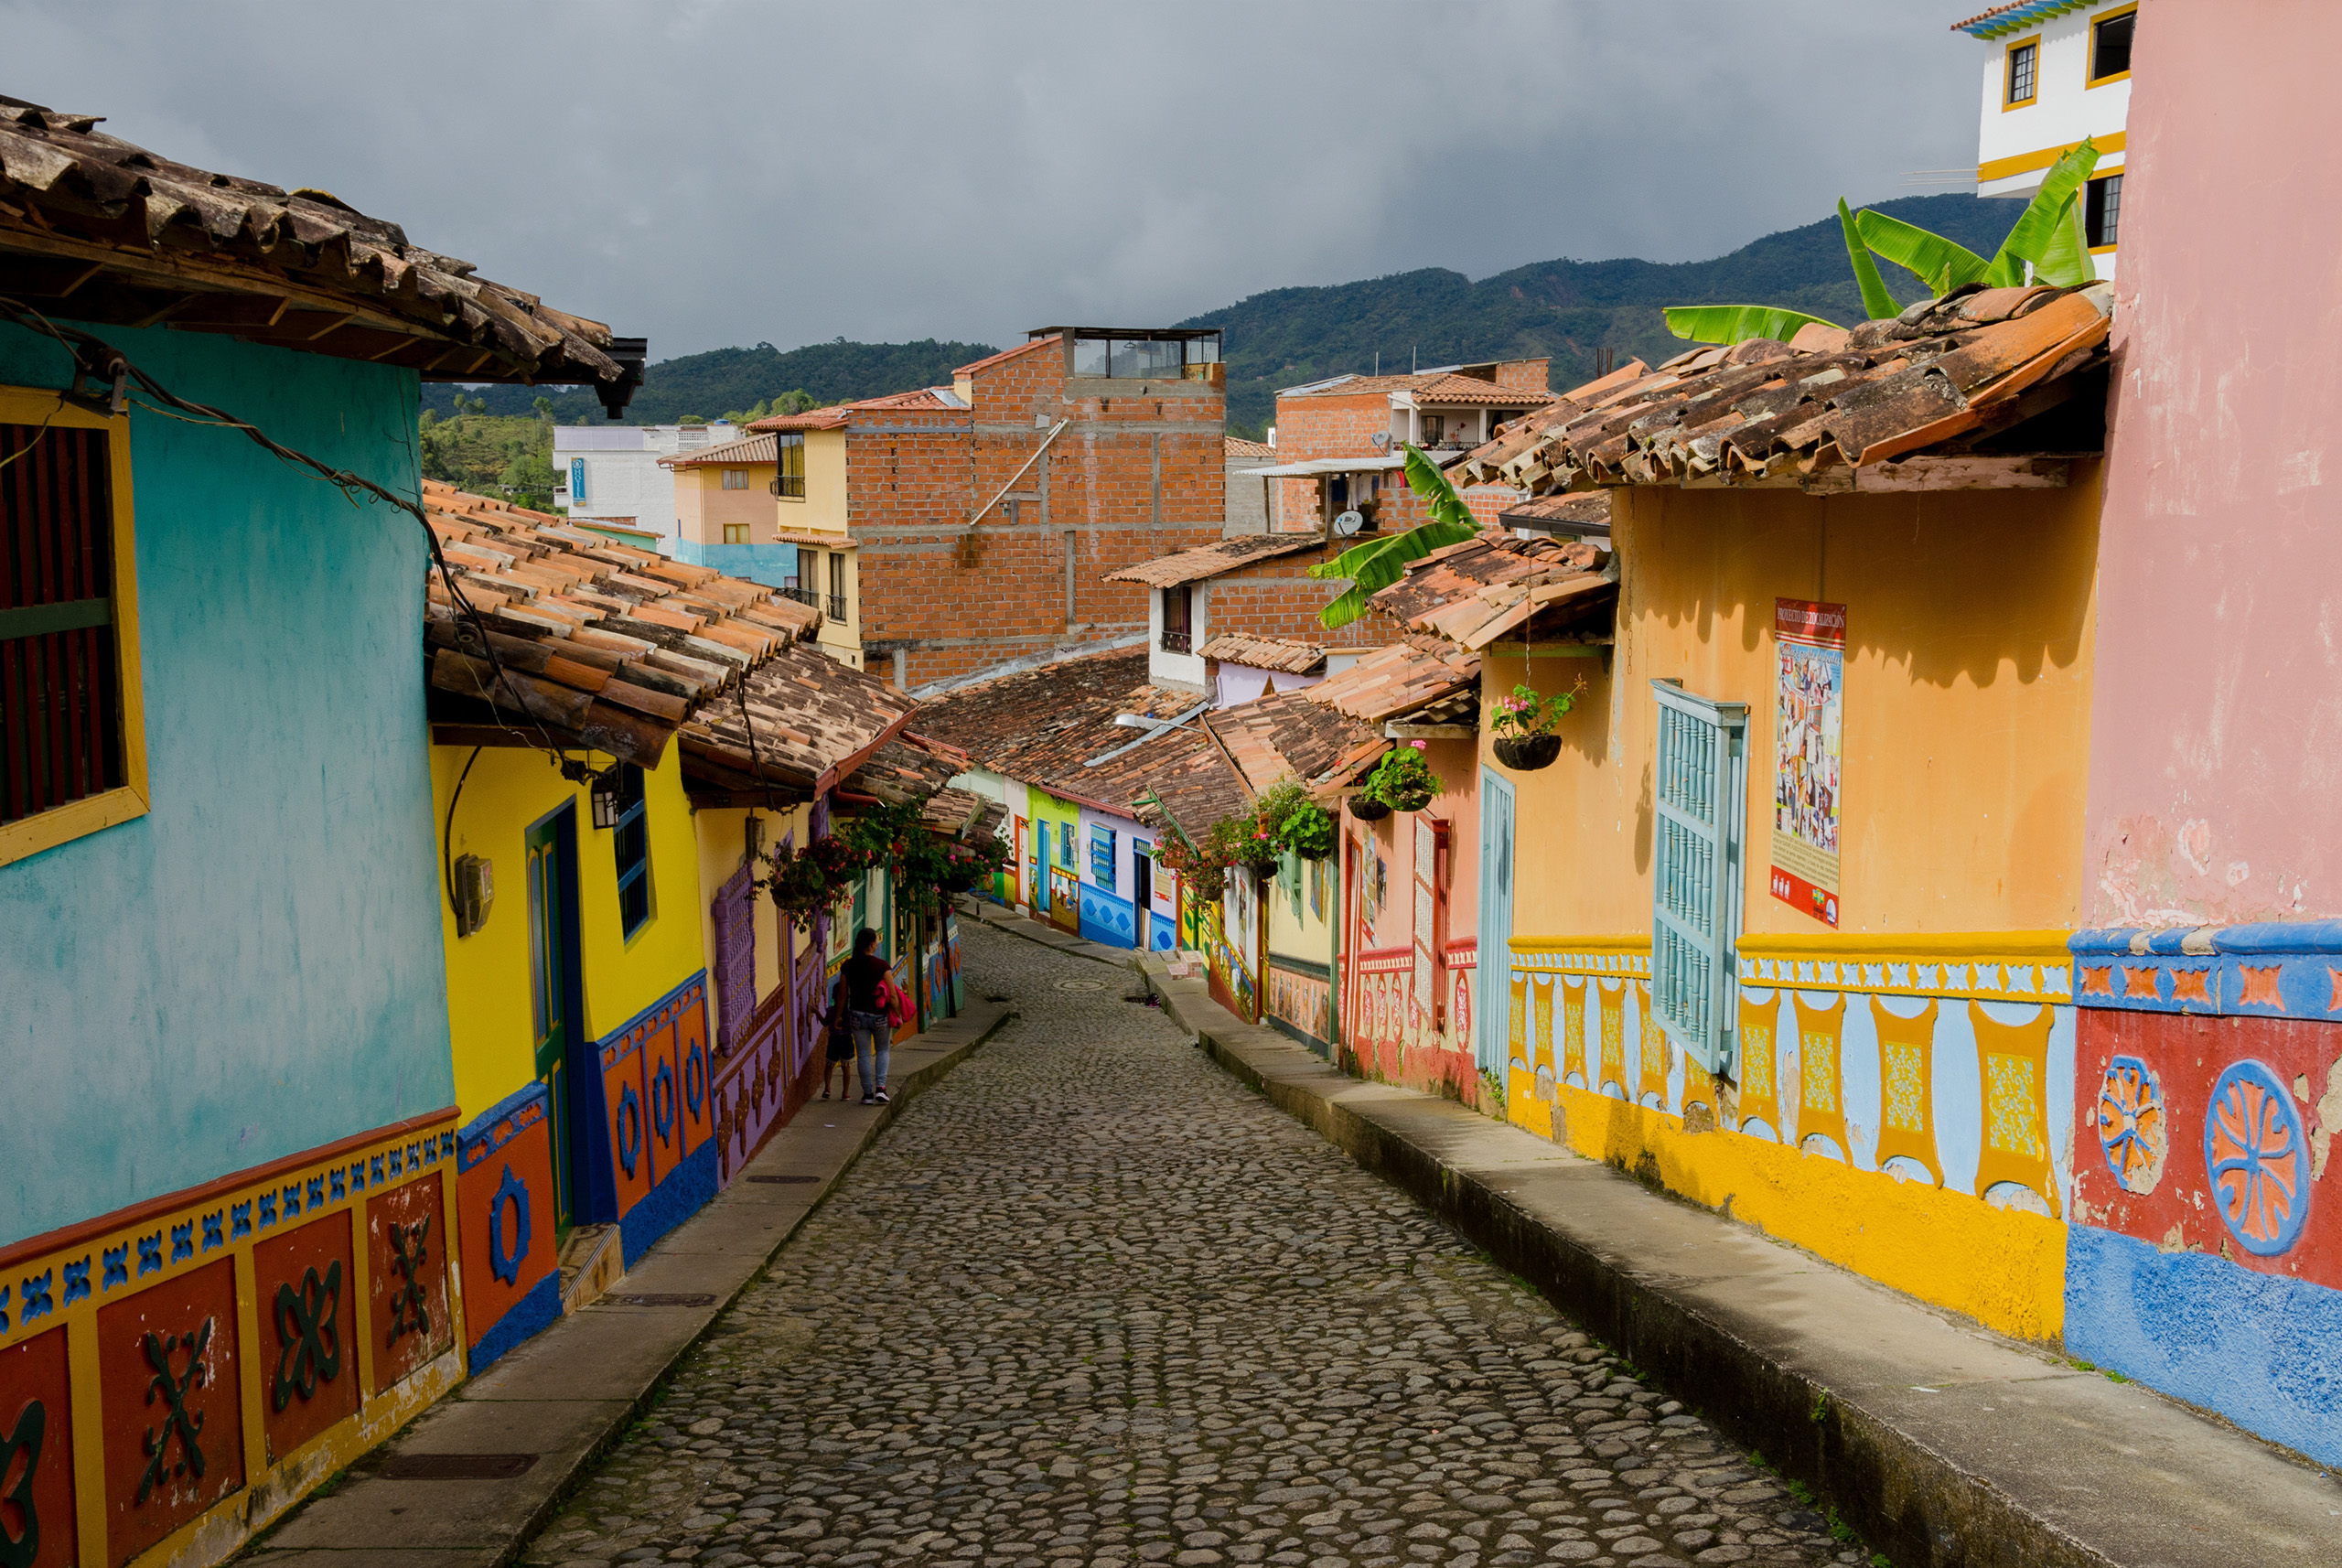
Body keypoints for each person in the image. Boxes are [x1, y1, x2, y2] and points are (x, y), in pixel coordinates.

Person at [838, 926, 893, 1106]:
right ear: (871, 944)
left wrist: (838, 1016)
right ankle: (881, 1089)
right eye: (876, 941)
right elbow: (892, 995)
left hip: (857, 1016)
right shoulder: (882, 966)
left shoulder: (848, 966)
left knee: (863, 1055)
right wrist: (898, 1013)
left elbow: (843, 995)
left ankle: (867, 1094)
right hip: (879, 1016)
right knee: (883, 1050)